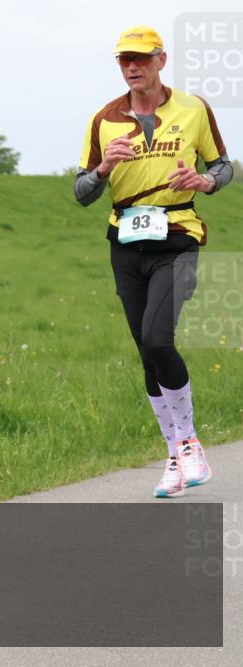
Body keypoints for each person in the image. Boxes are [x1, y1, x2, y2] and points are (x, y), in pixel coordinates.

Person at [74, 26, 233, 498]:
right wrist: (104, 169)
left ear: (161, 60)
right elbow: (81, 191)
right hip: (125, 243)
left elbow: (223, 165)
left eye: (141, 58)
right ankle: (172, 456)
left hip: (178, 236)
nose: (131, 67)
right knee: (146, 352)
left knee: (157, 338)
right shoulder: (104, 119)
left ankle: (190, 444)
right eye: (124, 60)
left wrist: (205, 182)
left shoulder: (193, 109)